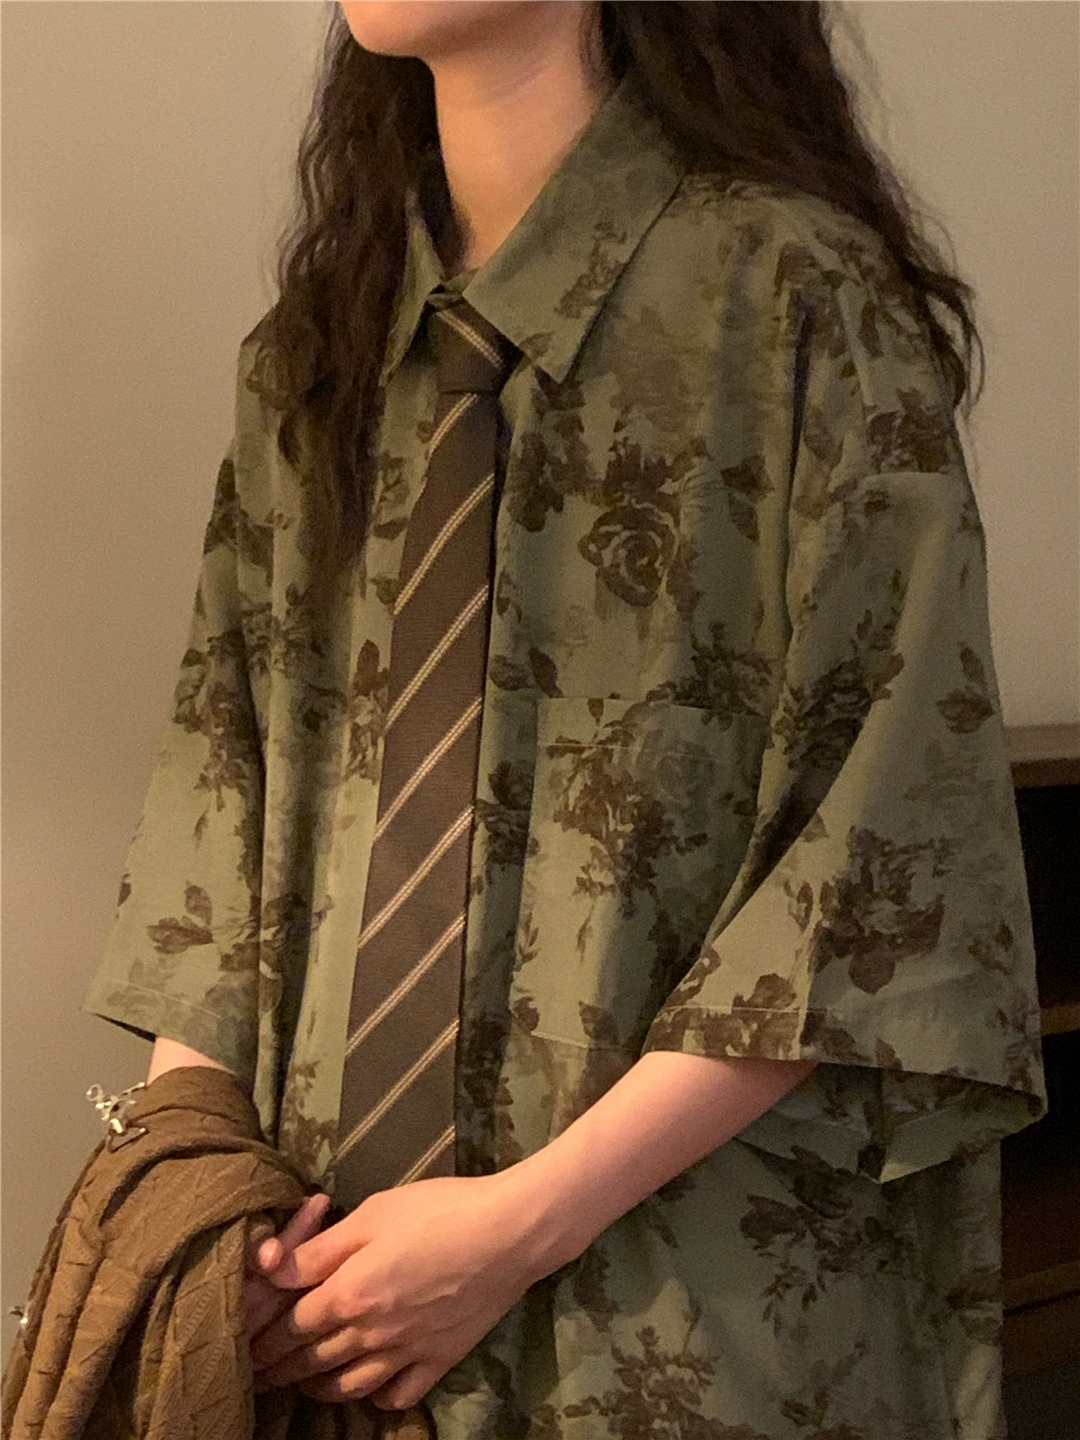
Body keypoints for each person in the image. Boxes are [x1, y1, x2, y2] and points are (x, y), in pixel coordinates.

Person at [81, 3, 1047, 1437]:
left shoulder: (796, 301)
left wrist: (518, 1227)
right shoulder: (312, 357)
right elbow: (218, 801)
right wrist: (207, 1191)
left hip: (681, 1312)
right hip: (325, 1301)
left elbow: (881, 850)